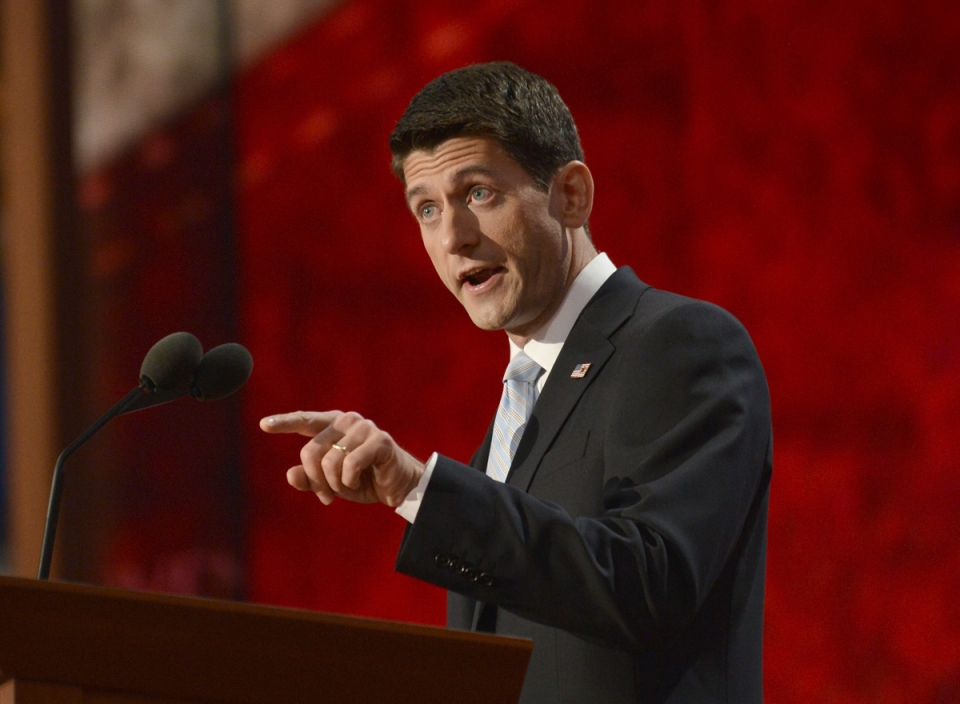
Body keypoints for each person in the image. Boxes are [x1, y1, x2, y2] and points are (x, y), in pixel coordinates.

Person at [260, 62, 772, 704]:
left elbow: (647, 582)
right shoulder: (515, 410)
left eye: (477, 193)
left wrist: (419, 489)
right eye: (425, 208)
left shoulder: (681, 344)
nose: (453, 237)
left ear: (571, 195)